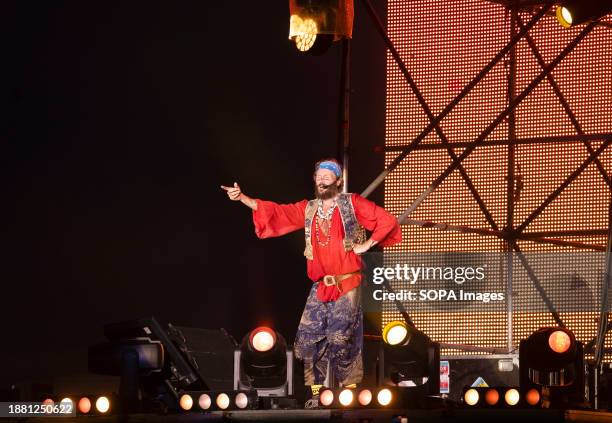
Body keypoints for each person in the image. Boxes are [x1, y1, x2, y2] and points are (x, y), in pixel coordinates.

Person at [221, 158, 401, 389]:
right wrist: (243, 198)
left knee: (339, 337)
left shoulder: (352, 203)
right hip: (320, 285)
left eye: (328, 176)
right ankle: (316, 391)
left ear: (339, 180)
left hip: (347, 282)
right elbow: (277, 212)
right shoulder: (309, 209)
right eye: (319, 176)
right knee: (306, 341)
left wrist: (366, 246)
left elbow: (387, 221)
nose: (323, 179)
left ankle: (349, 388)